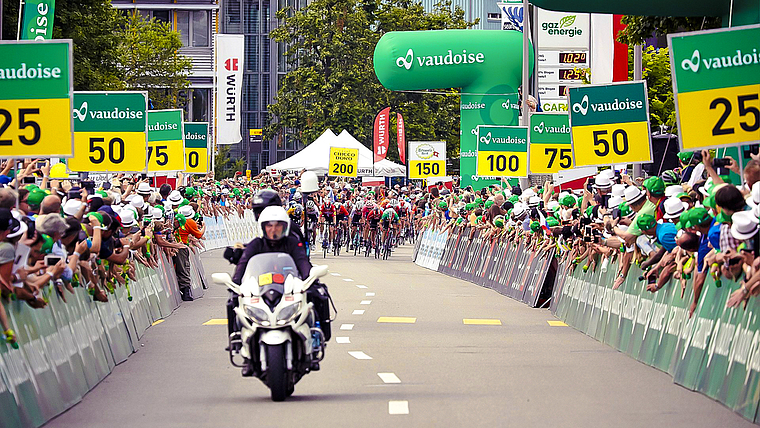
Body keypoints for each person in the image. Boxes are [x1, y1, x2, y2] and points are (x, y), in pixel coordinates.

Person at [229, 206, 313, 376]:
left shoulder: (292, 243)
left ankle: (314, 341)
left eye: (278, 226)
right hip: (261, 291)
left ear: (285, 227)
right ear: (263, 227)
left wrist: (310, 279)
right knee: (232, 302)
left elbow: (303, 262)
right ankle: (239, 344)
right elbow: (242, 266)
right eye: (269, 226)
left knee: (317, 295)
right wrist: (235, 284)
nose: (273, 230)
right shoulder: (255, 245)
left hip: (288, 289)